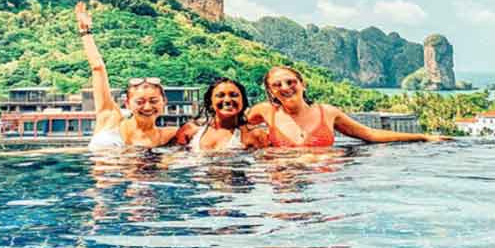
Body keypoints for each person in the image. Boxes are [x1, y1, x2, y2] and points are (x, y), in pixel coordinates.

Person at [247, 66, 449, 146]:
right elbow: (234, 124)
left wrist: (423, 136)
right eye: (277, 85)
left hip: (323, 185)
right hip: (284, 183)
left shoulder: (328, 113)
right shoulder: (266, 112)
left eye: (291, 82)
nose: (285, 87)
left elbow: (369, 134)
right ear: (271, 91)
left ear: (302, 84)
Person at [77, 2, 182, 150]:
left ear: (164, 102)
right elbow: (97, 67)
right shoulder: (110, 118)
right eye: (140, 101)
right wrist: (85, 32)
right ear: (127, 103)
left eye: (153, 101)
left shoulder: (170, 136)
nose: (147, 107)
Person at [177, 77, 267, 152]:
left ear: (243, 101)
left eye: (234, 95)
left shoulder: (254, 135)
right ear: (210, 102)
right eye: (220, 95)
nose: (227, 100)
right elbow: (173, 158)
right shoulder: (190, 131)